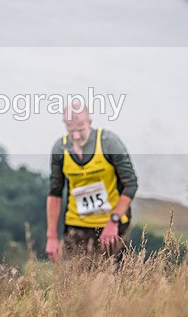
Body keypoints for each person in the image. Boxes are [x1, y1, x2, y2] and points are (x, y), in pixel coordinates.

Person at [45, 103, 138, 263]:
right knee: (74, 283)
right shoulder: (60, 149)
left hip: (112, 223)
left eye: (80, 128)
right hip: (76, 224)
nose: (76, 135)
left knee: (110, 280)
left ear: (89, 122)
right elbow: (55, 193)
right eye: (70, 129)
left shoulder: (110, 143)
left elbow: (131, 184)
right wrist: (52, 236)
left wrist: (113, 221)